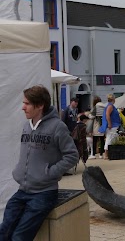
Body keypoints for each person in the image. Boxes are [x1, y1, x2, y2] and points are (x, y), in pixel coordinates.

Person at [0, 85, 78, 240]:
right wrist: (19, 170)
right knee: (4, 232)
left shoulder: (57, 127)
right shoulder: (26, 126)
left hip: (44, 193)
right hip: (22, 190)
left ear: (40, 105)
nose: (23, 107)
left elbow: (72, 155)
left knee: (19, 237)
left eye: (27, 103)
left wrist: (49, 173)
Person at [102, 94, 121, 160]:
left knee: (111, 138)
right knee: (109, 138)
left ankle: (108, 153)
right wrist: (110, 124)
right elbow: (107, 115)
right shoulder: (110, 106)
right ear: (113, 99)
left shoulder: (110, 106)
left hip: (113, 125)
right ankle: (106, 153)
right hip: (112, 125)